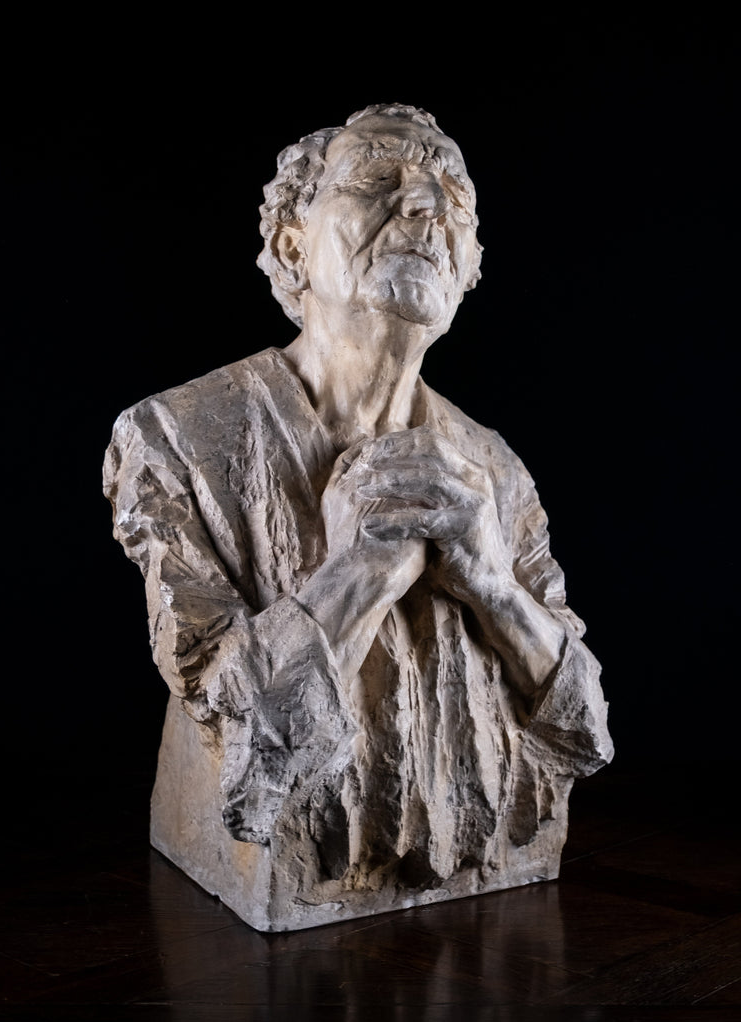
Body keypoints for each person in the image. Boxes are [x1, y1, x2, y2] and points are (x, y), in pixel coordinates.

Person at [104, 104, 612, 910]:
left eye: (454, 197)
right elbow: (243, 747)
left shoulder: (497, 470)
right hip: (295, 878)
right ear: (291, 246)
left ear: (470, 268)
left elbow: (582, 732)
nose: (425, 206)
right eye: (376, 178)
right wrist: (356, 571)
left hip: (480, 900)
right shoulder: (175, 440)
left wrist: (491, 584)